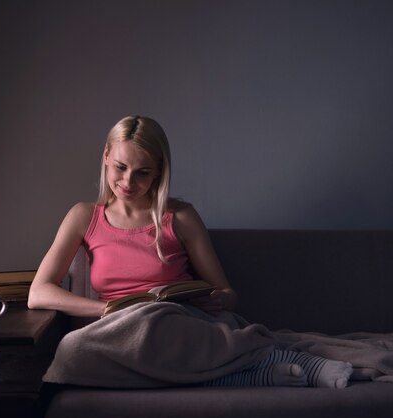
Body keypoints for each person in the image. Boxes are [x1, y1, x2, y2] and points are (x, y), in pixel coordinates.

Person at [28, 115, 351, 388]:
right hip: (118, 326)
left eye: (142, 172)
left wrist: (219, 298)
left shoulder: (180, 216)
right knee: (72, 349)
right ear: (106, 156)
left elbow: (227, 293)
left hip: (177, 321)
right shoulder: (84, 215)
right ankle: (243, 374)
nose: (128, 182)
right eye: (120, 167)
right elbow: (38, 293)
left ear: (158, 172)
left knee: (155, 320)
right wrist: (105, 309)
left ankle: (288, 362)